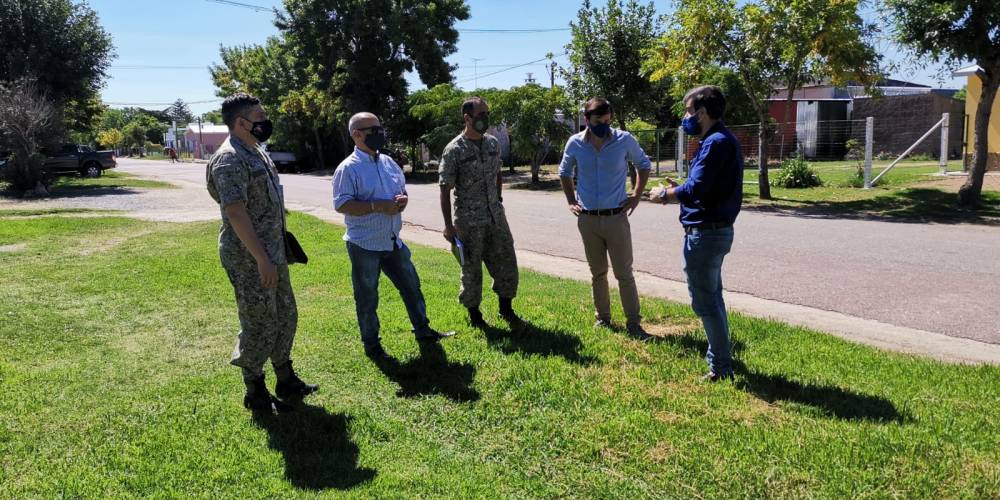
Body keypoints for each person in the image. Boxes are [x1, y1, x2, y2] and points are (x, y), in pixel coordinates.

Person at [206, 92, 317, 413]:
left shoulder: (256, 152)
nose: (265, 122)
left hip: (273, 251)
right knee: (259, 321)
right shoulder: (230, 159)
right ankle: (254, 388)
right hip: (249, 258)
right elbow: (236, 212)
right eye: (260, 117)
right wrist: (261, 259)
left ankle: (286, 377)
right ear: (241, 123)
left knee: (285, 314)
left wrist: (275, 251)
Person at [333, 112, 454, 360]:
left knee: (412, 287)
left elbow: (401, 191)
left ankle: (423, 330)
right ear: (356, 134)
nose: (379, 134)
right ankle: (372, 345)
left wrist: (403, 200)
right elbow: (342, 204)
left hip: (392, 241)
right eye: (372, 130)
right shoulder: (347, 169)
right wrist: (377, 206)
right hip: (364, 243)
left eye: (380, 128)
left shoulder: (388, 162)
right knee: (367, 298)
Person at [649, 85, 743, 382]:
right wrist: (681, 187)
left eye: (688, 111)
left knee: (705, 302)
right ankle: (721, 360)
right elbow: (706, 187)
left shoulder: (716, 142)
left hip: (706, 234)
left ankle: (720, 367)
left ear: (702, 112)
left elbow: (697, 188)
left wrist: (665, 193)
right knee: (713, 299)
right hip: (713, 231)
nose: (685, 117)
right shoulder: (719, 140)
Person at [557, 97, 652, 340]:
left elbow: (643, 164)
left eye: (607, 121)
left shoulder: (623, 140)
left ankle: (633, 322)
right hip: (588, 219)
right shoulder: (575, 143)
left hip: (616, 217)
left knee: (624, 273)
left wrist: (636, 195)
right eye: (599, 121)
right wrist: (571, 200)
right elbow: (564, 172)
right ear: (586, 119)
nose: (604, 125)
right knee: (597, 272)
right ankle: (603, 318)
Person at [439, 97, 520, 327]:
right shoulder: (454, 149)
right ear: (467, 118)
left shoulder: (493, 143)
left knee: (507, 261)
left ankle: (507, 310)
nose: (485, 118)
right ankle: (475, 317)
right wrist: (448, 225)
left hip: (496, 216)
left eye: (487, 114)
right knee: (471, 270)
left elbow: (498, 173)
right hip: (468, 221)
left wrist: (499, 199)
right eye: (481, 114)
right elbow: (445, 189)